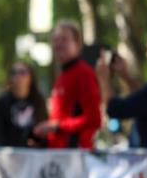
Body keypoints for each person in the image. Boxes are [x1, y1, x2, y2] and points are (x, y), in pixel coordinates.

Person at [32, 20, 101, 148]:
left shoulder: (83, 73)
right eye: (55, 40)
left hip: (76, 154)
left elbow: (94, 119)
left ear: (77, 44)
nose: (58, 44)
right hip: (59, 154)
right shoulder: (62, 75)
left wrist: (57, 126)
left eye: (64, 39)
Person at [0, 61, 48, 147]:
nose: (18, 76)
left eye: (23, 72)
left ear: (31, 77)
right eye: (14, 72)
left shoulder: (38, 100)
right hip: (10, 154)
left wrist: (35, 140)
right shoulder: (2, 102)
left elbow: (43, 129)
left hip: (34, 154)